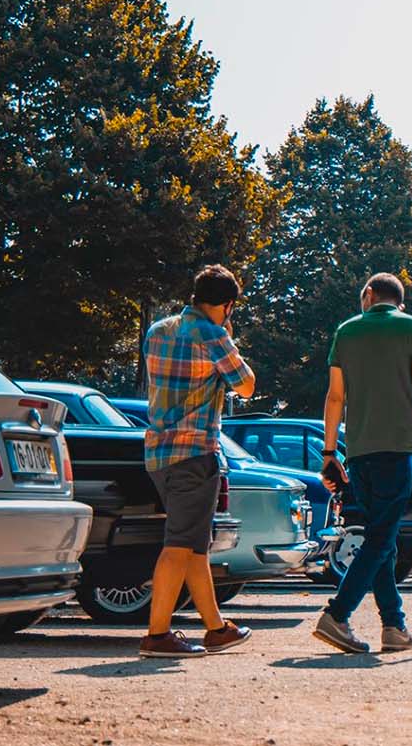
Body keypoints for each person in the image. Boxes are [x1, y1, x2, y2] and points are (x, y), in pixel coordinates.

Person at [313, 273, 412, 654]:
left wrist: (329, 453)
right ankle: (337, 614)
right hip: (396, 447)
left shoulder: (345, 331)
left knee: (381, 539)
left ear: (369, 295)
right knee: (380, 538)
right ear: (399, 303)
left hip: (357, 452)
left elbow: (335, 397)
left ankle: (394, 626)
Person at [139, 265, 256, 658]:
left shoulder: (158, 331)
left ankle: (216, 628)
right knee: (178, 545)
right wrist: (228, 341)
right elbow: (247, 383)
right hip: (194, 452)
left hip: (158, 453)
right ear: (227, 305)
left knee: (194, 547)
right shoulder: (213, 334)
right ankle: (157, 635)